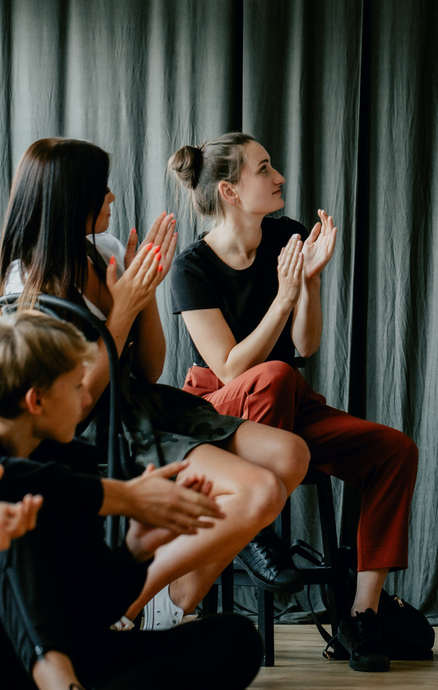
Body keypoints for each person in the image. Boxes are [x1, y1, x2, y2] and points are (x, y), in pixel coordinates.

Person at [0, 138, 311, 631]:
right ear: (72, 196)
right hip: (98, 426)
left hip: (142, 401)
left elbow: (148, 368)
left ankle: (174, 601)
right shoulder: (26, 284)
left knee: (291, 455)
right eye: (101, 188)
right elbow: (76, 406)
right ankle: (124, 600)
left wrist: (144, 292)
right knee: (257, 494)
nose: (112, 197)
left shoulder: (101, 252)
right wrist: (120, 311)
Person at [168, 132, 423, 672]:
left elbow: (306, 345)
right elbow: (231, 367)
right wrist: (283, 298)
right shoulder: (192, 267)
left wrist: (308, 281)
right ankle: (253, 528)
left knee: (393, 450)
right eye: (264, 169)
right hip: (219, 416)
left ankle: (363, 615)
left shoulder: (288, 236)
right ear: (231, 191)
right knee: (274, 375)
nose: (279, 177)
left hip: (287, 401)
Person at [0, 310, 262, 690]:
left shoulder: (75, 464)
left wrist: (138, 548)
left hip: (78, 656)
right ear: (36, 401)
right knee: (19, 511)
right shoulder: (34, 483)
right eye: (75, 387)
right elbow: (18, 478)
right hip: (11, 667)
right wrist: (126, 496)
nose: (87, 398)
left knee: (235, 640)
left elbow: (95, 611)